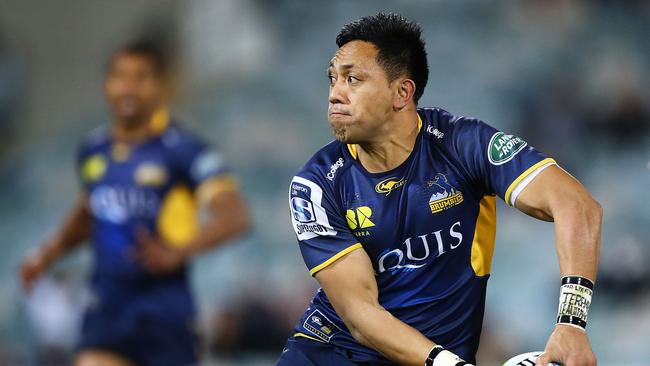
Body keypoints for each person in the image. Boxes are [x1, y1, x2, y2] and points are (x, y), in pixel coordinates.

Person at [277, 13, 601, 366]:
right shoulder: (317, 183)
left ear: (402, 92)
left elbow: (576, 205)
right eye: (333, 79)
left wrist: (571, 322)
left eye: (352, 79)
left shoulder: (463, 144)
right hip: (332, 355)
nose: (335, 94)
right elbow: (360, 315)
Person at [20, 41, 251, 366]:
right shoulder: (93, 150)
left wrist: (177, 253)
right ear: (106, 84)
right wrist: (46, 254)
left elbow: (235, 217)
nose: (128, 87)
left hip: (164, 316)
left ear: (159, 86)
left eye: (141, 77)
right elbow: (88, 214)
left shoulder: (184, 149)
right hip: (106, 311)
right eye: (120, 76)